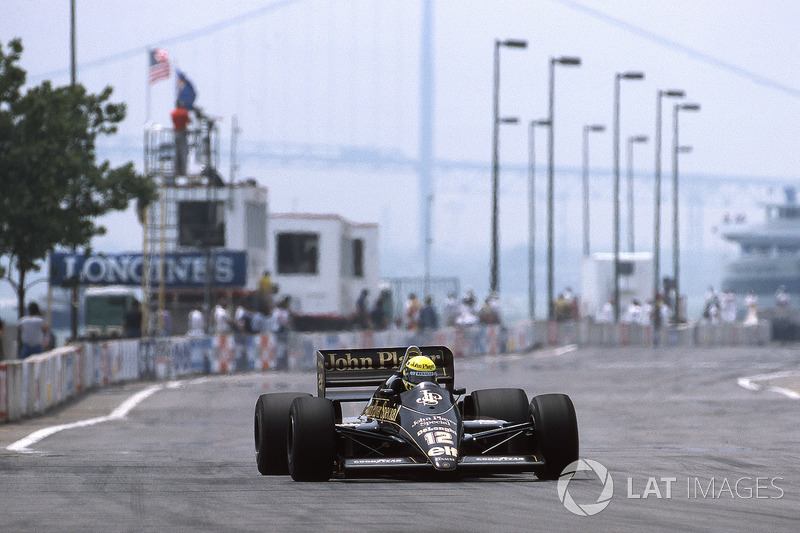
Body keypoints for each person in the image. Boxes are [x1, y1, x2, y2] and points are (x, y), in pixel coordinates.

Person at [171, 100, 191, 176]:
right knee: (184, 152)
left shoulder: (173, 113)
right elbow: (189, 121)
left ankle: (176, 170)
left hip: (176, 133)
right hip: (183, 132)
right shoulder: (184, 112)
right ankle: (183, 170)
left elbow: (173, 121)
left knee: (176, 152)